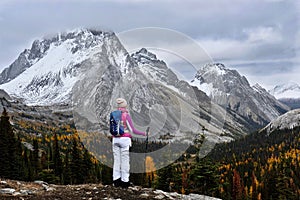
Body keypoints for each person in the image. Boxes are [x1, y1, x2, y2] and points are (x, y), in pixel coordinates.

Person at [112, 98, 146, 188]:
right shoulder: (126, 115)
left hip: (115, 140)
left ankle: (116, 181)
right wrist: (144, 133)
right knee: (125, 161)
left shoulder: (114, 115)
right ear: (125, 106)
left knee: (116, 160)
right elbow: (133, 130)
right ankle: (125, 182)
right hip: (125, 140)